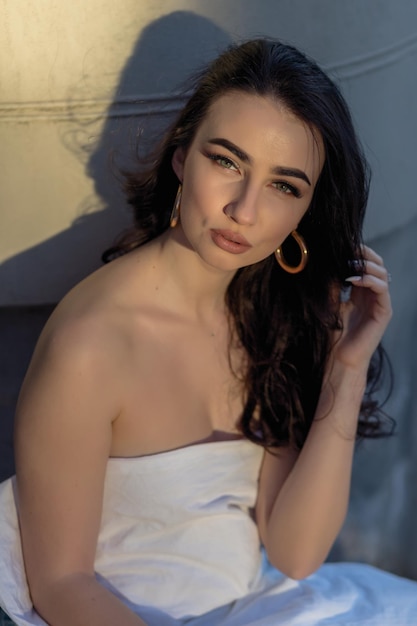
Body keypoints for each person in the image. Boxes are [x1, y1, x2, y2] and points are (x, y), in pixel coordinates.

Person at [0, 37, 416, 626]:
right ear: (181, 156)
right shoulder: (91, 344)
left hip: (251, 604)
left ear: (305, 211)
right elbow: (61, 585)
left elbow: (296, 554)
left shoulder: (269, 314)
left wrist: (344, 371)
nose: (244, 210)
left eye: (283, 186)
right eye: (227, 161)